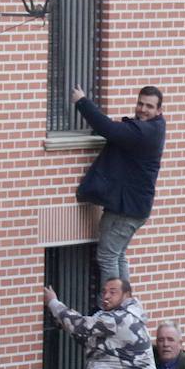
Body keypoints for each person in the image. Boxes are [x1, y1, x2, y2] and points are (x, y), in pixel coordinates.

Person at [72, 85, 167, 284]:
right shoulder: (154, 127)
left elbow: (108, 129)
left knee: (108, 257)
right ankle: (125, 306)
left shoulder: (144, 132)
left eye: (149, 106)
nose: (142, 109)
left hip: (125, 211)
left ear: (159, 111)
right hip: (135, 208)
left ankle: (114, 309)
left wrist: (81, 101)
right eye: (140, 103)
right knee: (118, 256)